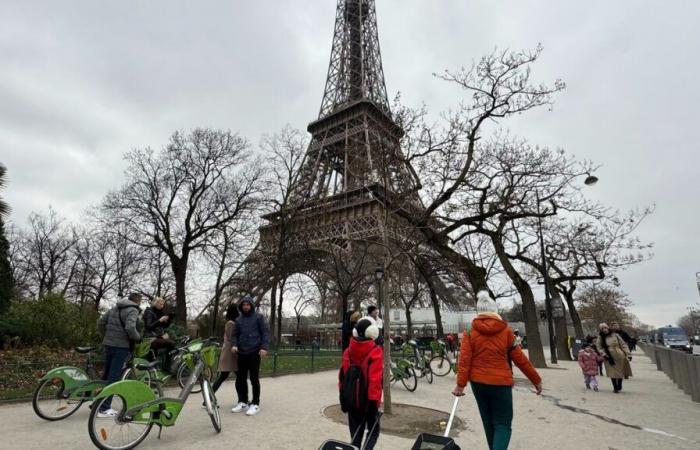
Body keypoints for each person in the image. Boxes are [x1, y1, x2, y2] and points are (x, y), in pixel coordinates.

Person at [452, 290, 542, 450]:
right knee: (503, 424)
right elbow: (520, 359)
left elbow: (464, 361)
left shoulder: (470, 332)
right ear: (495, 311)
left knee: (488, 422)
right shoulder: (506, 332)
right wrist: (536, 379)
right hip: (501, 382)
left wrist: (460, 385)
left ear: (478, 311)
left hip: (478, 383)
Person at [338, 318, 383, 450]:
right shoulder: (375, 351)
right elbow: (375, 380)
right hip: (368, 401)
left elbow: (343, 377)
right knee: (374, 431)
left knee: (355, 435)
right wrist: (373, 404)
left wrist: (343, 398)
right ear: (372, 333)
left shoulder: (348, 351)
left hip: (351, 400)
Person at [96, 293, 143, 417]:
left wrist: (106, 336)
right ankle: (104, 409)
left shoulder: (115, 308)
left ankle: (97, 404)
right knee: (114, 377)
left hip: (109, 344)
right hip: (121, 346)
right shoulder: (133, 310)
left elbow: (100, 323)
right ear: (137, 301)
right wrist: (138, 338)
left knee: (106, 375)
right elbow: (130, 327)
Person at [231, 296, 269, 416]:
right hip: (241, 352)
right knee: (241, 378)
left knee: (254, 378)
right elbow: (235, 335)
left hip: (254, 352)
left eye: (248, 304)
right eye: (243, 305)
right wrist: (234, 345)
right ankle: (243, 401)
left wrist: (264, 347)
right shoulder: (238, 320)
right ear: (241, 306)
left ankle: (255, 404)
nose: (246, 306)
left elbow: (264, 333)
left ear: (251, 305)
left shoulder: (259, 317)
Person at [596, 323, 633, 394]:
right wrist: (604, 354)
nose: (604, 330)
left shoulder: (615, 335)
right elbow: (599, 347)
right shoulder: (600, 337)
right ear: (601, 330)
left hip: (619, 354)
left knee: (621, 370)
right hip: (608, 356)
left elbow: (623, 344)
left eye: (605, 328)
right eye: (602, 328)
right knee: (612, 372)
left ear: (608, 328)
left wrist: (628, 354)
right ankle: (615, 387)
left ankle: (619, 383)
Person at [212, 302, 239, 397]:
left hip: (228, 353)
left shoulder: (230, 322)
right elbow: (232, 339)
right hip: (230, 354)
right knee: (238, 377)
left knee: (223, 377)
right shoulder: (231, 323)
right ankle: (242, 399)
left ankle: (208, 398)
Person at [142, 297, 175, 363]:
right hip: (149, 338)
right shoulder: (149, 311)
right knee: (171, 343)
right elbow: (149, 326)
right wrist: (160, 320)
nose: (162, 306)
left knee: (171, 343)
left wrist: (169, 319)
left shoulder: (159, 312)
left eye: (163, 304)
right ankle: (166, 366)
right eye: (160, 304)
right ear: (155, 303)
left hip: (157, 336)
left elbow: (164, 326)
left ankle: (160, 363)